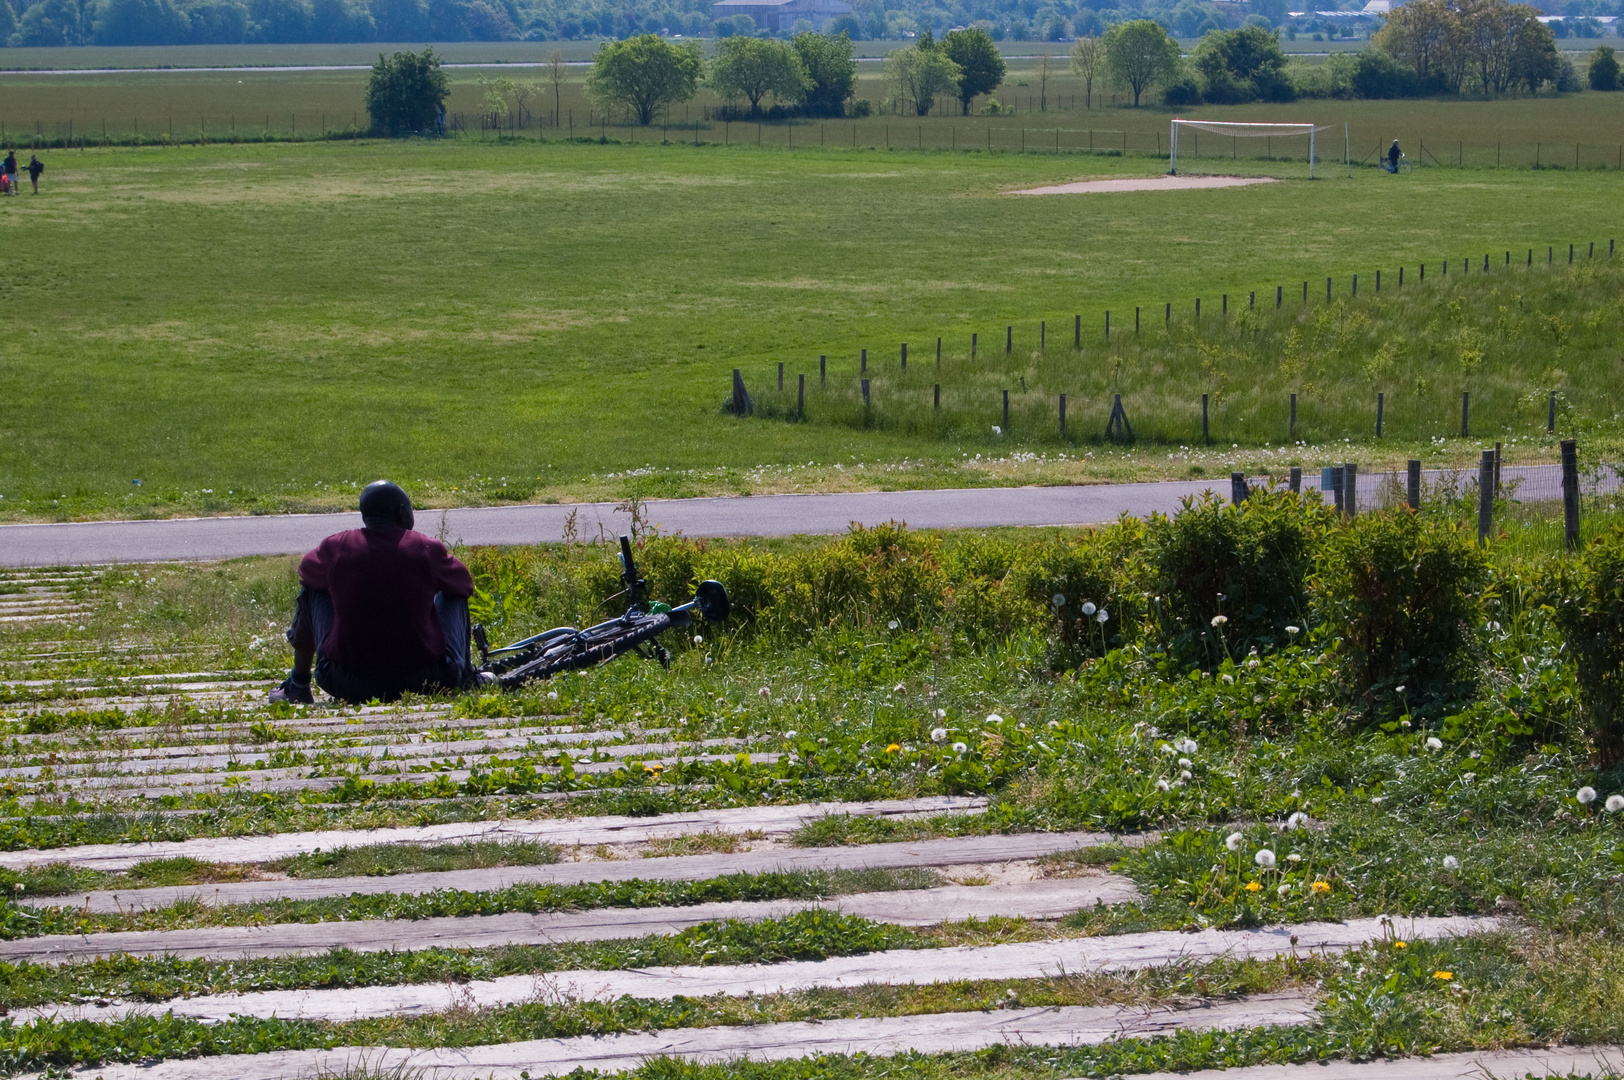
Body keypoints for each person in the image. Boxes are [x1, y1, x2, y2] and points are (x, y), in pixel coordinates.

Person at [271, 481, 488, 705]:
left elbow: (307, 571)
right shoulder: (424, 548)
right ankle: (465, 677)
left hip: (346, 682)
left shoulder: (337, 547)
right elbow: (464, 584)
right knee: (454, 592)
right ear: (402, 512)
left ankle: (298, 684)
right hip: (428, 679)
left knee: (313, 587)